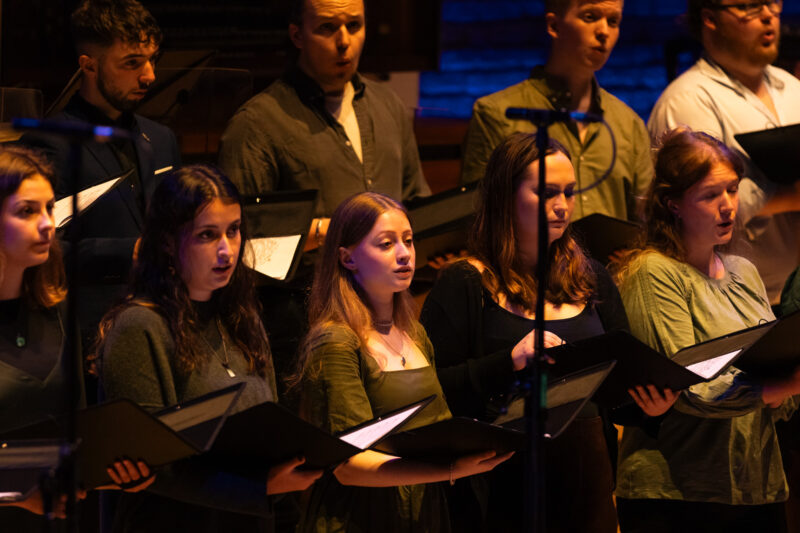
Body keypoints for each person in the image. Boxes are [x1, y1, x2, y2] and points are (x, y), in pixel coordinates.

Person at [421, 132, 650, 532]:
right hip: (499, 477)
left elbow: (620, 384)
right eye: (546, 193)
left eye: (569, 192)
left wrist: (650, 405)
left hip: (584, 474)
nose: (562, 206)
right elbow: (435, 390)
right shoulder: (465, 282)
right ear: (505, 197)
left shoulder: (591, 278)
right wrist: (508, 361)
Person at [95, 165, 321, 533]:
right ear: (168, 241)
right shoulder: (139, 327)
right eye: (206, 235)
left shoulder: (242, 317)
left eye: (233, 231)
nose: (226, 249)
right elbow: (153, 467)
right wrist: (259, 486)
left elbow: (271, 433)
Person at [610, 128, 800, 532]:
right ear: (673, 203)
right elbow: (693, 387)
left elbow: (775, 371)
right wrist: (778, 387)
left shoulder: (743, 272)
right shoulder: (653, 273)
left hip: (756, 483)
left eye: (732, 190)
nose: (728, 206)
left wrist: (786, 385)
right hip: (679, 493)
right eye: (710, 195)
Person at [292, 192, 511, 532]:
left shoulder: (415, 333)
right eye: (386, 243)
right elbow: (348, 465)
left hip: (424, 513)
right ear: (347, 258)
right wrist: (451, 470)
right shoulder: (336, 342)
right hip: (363, 518)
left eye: (408, 240)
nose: (405, 253)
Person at [0, 145, 154, 529]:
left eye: (49, 208)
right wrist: (16, 498)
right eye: (26, 211)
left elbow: (81, 436)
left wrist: (120, 470)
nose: (48, 224)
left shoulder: (56, 310)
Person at [20, 0, 181, 341]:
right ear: (88, 65)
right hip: (89, 331)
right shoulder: (51, 143)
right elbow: (39, 246)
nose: (150, 75)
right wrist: (130, 251)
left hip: (166, 318)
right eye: (132, 63)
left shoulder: (161, 138)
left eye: (153, 59)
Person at [218, 0, 430, 247]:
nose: (344, 42)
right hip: (309, 284)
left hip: (389, 283)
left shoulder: (388, 105)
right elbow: (239, 232)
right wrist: (324, 231)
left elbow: (417, 201)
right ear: (297, 35)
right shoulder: (256, 124)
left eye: (354, 25)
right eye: (327, 28)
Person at [647, 0, 800, 304]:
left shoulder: (791, 86)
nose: (769, 15)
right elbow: (699, 210)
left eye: (772, 3)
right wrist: (791, 195)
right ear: (710, 18)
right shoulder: (689, 99)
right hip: (737, 297)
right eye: (750, 6)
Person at [460, 0, 652, 223]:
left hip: (612, 258)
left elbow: (644, 224)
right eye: (590, 17)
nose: (603, 31)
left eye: (613, 21)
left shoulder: (629, 124)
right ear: (554, 25)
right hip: (529, 258)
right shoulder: (496, 115)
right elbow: (477, 219)